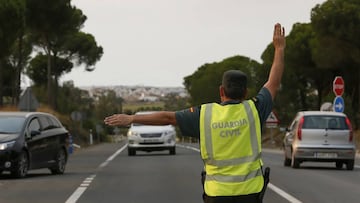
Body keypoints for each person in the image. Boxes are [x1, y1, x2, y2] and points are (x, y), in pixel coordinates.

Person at [104, 23, 286, 203]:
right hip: (250, 193)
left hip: (217, 194)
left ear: (221, 91)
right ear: (245, 93)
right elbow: (273, 82)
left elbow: (167, 117)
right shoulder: (254, 109)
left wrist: (132, 118)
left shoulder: (204, 114)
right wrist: (279, 49)